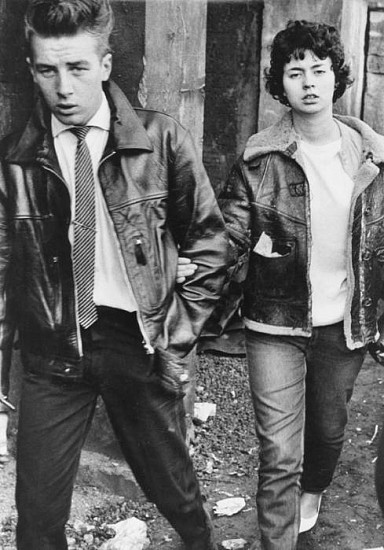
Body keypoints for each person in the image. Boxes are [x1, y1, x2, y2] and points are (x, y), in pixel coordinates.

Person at [0, 1, 229, 548]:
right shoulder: (14, 159)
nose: (63, 87)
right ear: (32, 70)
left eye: (77, 68)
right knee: (35, 520)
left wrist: (172, 341)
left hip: (138, 342)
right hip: (52, 351)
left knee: (177, 495)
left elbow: (212, 247)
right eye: (48, 70)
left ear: (105, 65)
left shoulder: (161, 139)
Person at [179, 19, 384, 550]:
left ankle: (313, 490)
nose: (309, 82)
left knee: (328, 433)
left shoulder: (373, 160)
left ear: (337, 77)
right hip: (274, 322)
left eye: (319, 70)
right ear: (281, 83)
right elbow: (226, 235)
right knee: (279, 453)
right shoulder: (259, 159)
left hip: (345, 325)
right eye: (296, 72)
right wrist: (191, 268)